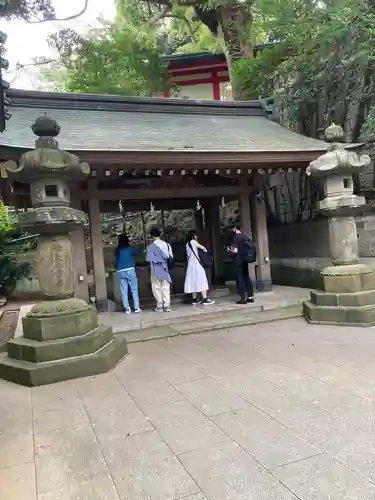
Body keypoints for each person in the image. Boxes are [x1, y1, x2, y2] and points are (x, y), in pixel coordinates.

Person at [227, 223, 256, 305]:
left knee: (239, 279)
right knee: (246, 277)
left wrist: (229, 249)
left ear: (235, 228)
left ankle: (243, 298)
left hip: (238, 260)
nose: (232, 230)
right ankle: (250, 297)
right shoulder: (245, 236)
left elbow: (235, 250)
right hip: (245, 260)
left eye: (233, 229)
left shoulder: (236, 237)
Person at [184, 230, 215, 305]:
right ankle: (205, 299)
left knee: (193, 281)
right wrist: (205, 251)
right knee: (202, 280)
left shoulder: (187, 244)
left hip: (190, 266)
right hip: (196, 264)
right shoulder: (193, 242)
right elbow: (203, 248)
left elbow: (188, 256)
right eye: (195, 235)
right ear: (193, 236)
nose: (196, 236)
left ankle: (194, 299)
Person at [146, 228, 173, 312]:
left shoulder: (150, 247)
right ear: (160, 235)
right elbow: (170, 256)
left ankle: (159, 306)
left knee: (156, 287)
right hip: (164, 268)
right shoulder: (167, 245)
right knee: (165, 287)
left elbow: (148, 259)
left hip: (155, 268)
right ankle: (167, 305)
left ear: (152, 236)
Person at [115, 234, 142, 313]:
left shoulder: (117, 250)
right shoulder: (130, 249)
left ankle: (127, 308)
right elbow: (139, 252)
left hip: (120, 271)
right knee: (134, 289)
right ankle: (136, 308)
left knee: (124, 290)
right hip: (130, 270)